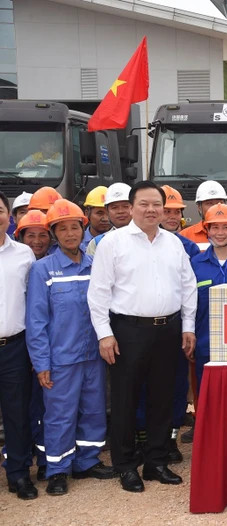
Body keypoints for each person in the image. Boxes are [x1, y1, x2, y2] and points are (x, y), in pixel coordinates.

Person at [87, 181, 197, 493]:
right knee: (125, 399)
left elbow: (187, 286)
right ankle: (125, 466)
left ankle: (156, 461)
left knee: (162, 397)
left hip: (168, 329)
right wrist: (104, 334)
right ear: (132, 207)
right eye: (144, 204)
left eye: (156, 204)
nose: (151, 210)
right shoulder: (113, 243)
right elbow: (98, 292)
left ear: (164, 208)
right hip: (127, 331)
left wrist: (188, 326)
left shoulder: (173, 243)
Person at [25, 199, 116, 496]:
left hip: (93, 356)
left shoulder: (95, 265)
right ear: (53, 233)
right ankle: (57, 469)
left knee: (93, 410)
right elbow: (36, 321)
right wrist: (42, 363)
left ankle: (87, 461)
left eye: (74, 227)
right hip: (61, 359)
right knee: (60, 416)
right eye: (62, 229)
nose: (69, 234)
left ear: (82, 228)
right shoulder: (43, 270)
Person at [0, 190, 38, 500]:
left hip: (14, 346)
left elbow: (33, 302)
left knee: (17, 413)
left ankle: (19, 473)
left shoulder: (24, 254)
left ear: (9, 216)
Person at [190, 204, 227, 393]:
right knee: (208, 394)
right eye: (214, 227)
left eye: (225, 227)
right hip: (206, 343)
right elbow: (189, 305)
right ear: (206, 229)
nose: (220, 233)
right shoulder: (195, 264)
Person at [13, 209, 50, 480]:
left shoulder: (53, 264)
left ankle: (46, 457)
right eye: (30, 235)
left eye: (42, 235)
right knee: (18, 406)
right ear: (20, 236)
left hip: (43, 344)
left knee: (45, 404)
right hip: (17, 344)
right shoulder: (16, 259)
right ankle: (19, 458)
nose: (37, 241)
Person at [181, 180, 227, 252]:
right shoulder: (185, 236)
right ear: (199, 207)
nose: (215, 207)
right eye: (209, 203)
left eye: (219, 202)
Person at [85, 183, 133, 256]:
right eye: (114, 207)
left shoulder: (148, 236)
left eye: (125, 206)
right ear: (108, 210)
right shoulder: (98, 243)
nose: (120, 211)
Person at [160, 185, 200, 259]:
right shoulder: (142, 243)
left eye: (177, 212)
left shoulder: (189, 247)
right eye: (167, 211)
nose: (173, 216)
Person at [80, 186, 110, 251]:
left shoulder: (121, 241)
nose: (105, 219)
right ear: (87, 213)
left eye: (108, 213)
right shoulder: (77, 242)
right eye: (100, 213)